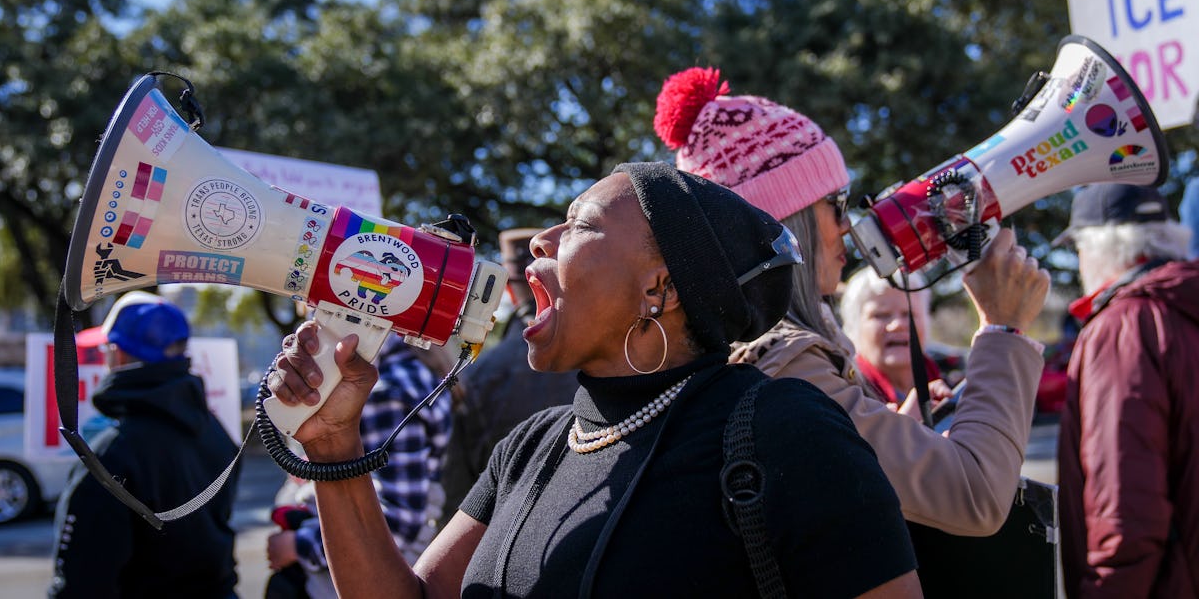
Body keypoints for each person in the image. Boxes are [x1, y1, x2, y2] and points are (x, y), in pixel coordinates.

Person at [268, 162, 922, 597]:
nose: (539, 243)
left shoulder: (788, 432)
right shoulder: (532, 448)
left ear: (658, 287)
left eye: (578, 224)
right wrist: (334, 447)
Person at [654, 66, 1050, 536]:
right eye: (835, 203)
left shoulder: (748, 352)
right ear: (787, 222)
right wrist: (1003, 329)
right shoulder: (790, 368)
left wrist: (889, 429)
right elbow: (975, 495)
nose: (847, 225)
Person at [1051, 183, 1199, 598]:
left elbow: (1126, 512)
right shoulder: (1183, 307)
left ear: (1101, 246)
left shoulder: (1123, 327)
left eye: (1078, 247)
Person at [50, 291, 239, 598]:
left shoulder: (111, 455)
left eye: (106, 348)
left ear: (120, 354)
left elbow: (81, 584)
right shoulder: (216, 432)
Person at [266, 333, 451, 598]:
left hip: (355, 578)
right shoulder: (413, 369)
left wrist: (298, 546)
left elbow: (399, 522)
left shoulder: (386, 390)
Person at [437, 227, 578, 527]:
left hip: (498, 540)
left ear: (508, 289)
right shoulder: (605, 356)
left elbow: (456, 494)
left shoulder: (475, 374)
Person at [839, 267, 945, 411]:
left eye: (908, 314)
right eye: (881, 315)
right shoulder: (845, 398)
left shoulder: (954, 381)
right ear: (854, 326)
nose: (897, 325)